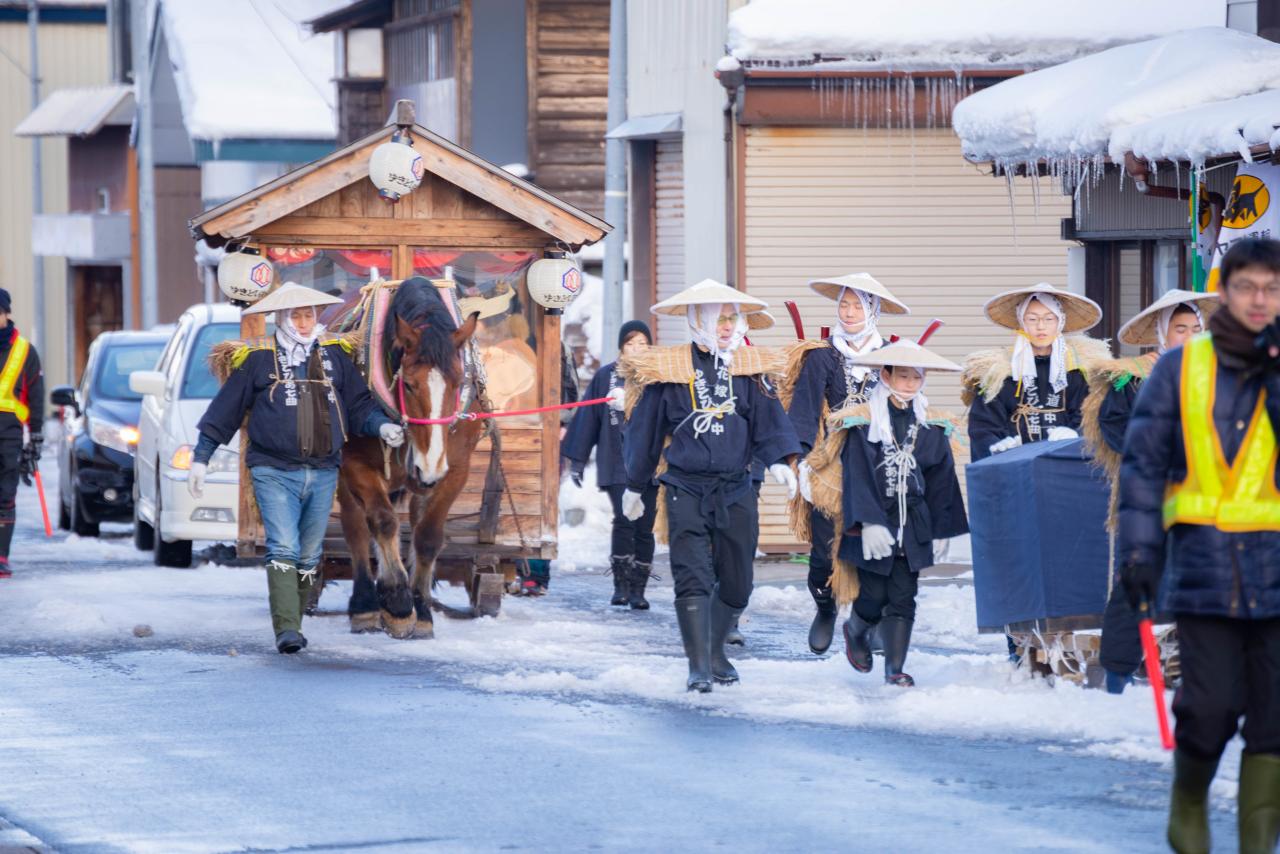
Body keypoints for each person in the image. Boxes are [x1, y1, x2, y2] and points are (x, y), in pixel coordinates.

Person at [1119, 238, 1280, 854]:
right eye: (1247, 287)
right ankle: (1188, 803)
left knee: (1274, 722)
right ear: (1225, 294)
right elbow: (1143, 468)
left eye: (1271, 288)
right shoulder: (1182, 368)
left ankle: (1256, 845)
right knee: (1208, 711)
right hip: (1206, 570)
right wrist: (1138, 554)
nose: (1259, 300)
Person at [193, 284, 405, 653]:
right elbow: (225, 409)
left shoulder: (335, 356)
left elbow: (357, 405)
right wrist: (201, 456)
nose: (305, 323)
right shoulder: (257, 358)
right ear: (282, 318)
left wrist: (380, 425)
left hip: (323, 470)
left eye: (309, 315)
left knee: (308, 554)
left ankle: (294, 616)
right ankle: (287, 630)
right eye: (297, 316)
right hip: (273, 470)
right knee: (284, 546)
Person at [621, 279, 800, 692]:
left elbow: (770, 422)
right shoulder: (668, 370)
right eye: (717, 319)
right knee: (692, 575)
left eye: (731, 318)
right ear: (697, 320)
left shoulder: (749, 370)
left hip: (736, 487)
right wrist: (635, 485)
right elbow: (644, 433)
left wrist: (781, 462)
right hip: (685, 486)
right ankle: (698, 665)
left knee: (738, 583)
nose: (725, 326)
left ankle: (717, 649)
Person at [800, 339, 967, 686]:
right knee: (874, 594)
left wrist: (940, 530)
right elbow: (858, 474)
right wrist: (869, 521)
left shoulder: (932, 425)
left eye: (916, 377)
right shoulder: (863, 423)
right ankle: (855, 630)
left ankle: (895, 669)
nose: (909, 383)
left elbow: (940, 477)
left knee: (905, 596)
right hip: (874, 518)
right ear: (886, 376)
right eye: (902, 376)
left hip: (914, 522)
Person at [1080, 289, 1217, 694]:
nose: (1190, 336)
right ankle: (1117, 669)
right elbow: (1116, 427)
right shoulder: (1132, 376)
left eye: (1196, 328)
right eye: (1180, 329)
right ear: (1161, 333)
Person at [782, 273, 910, 655]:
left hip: (879, 461)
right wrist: (799, 461)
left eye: (858, 305)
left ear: (872, 310)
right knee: (825, 550)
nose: (850, 312)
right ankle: (824, 607)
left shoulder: (893, 354)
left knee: (879, 545)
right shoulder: (823, 356)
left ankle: (871, 616)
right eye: (844, 304)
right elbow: (803, 410)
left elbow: (908, 401)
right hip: (832, 461)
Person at [562, 320, 657, 608]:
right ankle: (621, 585)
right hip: (616, 460)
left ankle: (639, 588)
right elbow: (588, 419)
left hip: (651, 464)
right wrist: (577, 459)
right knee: (624, 520)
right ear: (621, 347)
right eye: (631, 343)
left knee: (645, 526)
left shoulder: (657, 378)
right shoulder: (606, 377)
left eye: (642, 343)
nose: (637, 349)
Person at [964, 283, 1109, 461]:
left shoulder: (1079, 370)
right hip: (1013, 464)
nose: (1041, 327)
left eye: (1049, 319)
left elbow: (1093, 415)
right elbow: (983, 426)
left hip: (1063, 462)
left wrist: (1075, 434)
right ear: (1021, 322)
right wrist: (995, 447)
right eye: (1032, 319)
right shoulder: (998, 372)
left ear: (1060, 322)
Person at [0, 288, 43, 579]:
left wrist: (36, 437)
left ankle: (1, 557)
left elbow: (36, 396)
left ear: (6, 313)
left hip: (9, 435)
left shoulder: (24, 350)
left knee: (5, 495)